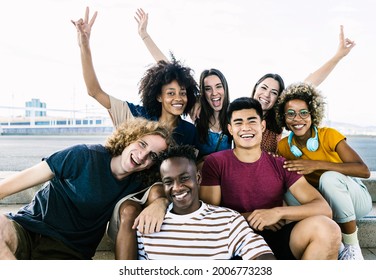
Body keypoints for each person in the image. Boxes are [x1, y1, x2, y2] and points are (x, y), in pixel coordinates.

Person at [72, 7, 200, 259]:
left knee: (157, 193)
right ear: (158, 96)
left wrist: (145, 35)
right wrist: (84, 45)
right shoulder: (134, 116)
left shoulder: (189, 132)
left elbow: (171, 70)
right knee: (130, 212)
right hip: (127, 194)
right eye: (171, 93)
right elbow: (94, 91)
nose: (178, 98)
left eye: (183, 92)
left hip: (165, 194)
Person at [0, 117, 172, 260]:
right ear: (130, 138)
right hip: (27, 229)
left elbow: (160, 190)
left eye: (153, 156)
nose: (143, 156)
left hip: (69, 252)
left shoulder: (138, 182)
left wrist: (161, 202)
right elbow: (10, 185)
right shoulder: (83, 155)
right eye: (142, 144)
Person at [199, 97, 341, 260]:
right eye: (238, 122)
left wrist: (278, 213)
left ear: (262, 126)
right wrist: (256, 217)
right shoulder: (215, 162)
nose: (245, 127)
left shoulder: (280, 164)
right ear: (230, 129)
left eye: (252, 121)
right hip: (235, 242)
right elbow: (209, 216)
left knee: (328, 229)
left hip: (276, 238)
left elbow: (324, 209)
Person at [276, 82, 372, 260]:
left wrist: (317, 165)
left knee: (329, 178)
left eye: (304, 113)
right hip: (324, 205)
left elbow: (364, 170)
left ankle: (352, 247)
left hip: (353, 200)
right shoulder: (283, 146)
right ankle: (327, 239)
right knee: (289, 186)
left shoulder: (329, 135)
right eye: (291, 113)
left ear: (313, 115)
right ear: (284, 118)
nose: (297, 118)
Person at [137, 144, 275, 260]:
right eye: (168, 182)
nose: (177, 187)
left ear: (198, 178)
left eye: (184, 178)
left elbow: (262, 256)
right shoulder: (147, 223)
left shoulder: (229, 220)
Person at [135, 8, 232, 162]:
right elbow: (170, 70)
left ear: (225, 89)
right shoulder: (197, 114)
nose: (214, 93)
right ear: (203, 93)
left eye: (219, 86)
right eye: (208, 88)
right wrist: (144, 35)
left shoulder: (232, 116)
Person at [251, 25, 356, 153]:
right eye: (264, 88)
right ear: (256, 87)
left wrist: (338, 56)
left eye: (274, 92)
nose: (266, 94)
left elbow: (308, 83)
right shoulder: (238, 111)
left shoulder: (276, 118)